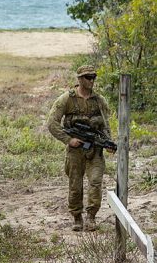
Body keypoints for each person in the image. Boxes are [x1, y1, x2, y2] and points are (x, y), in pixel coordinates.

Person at [47, 65, 113, 232]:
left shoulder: (99, 100)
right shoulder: (66, 99)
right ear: (79, 79)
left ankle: (91, 216)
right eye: (87, 77)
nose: (91, 80)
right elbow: (52, 123)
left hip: (95, 149)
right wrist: (68, 140)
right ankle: (77, 216)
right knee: (75, 184)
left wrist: (108, 142)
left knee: (96, 182)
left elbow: (106, 125)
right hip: (75, 150)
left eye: (93, 77)